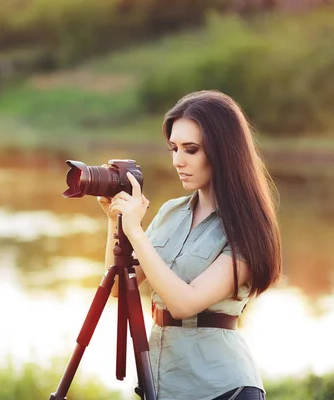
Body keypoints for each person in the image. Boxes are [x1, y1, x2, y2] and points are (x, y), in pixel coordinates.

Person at [98, 90, 282, 400]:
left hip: (223, 389)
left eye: (191, 149)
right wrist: (115, 223)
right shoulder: (171, 212)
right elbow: (118, 286)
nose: (177, 161)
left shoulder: (248, 228)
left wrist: (137, 232)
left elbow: (185, 303)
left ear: (223, 151)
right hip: (162, 384)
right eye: (173, 148)